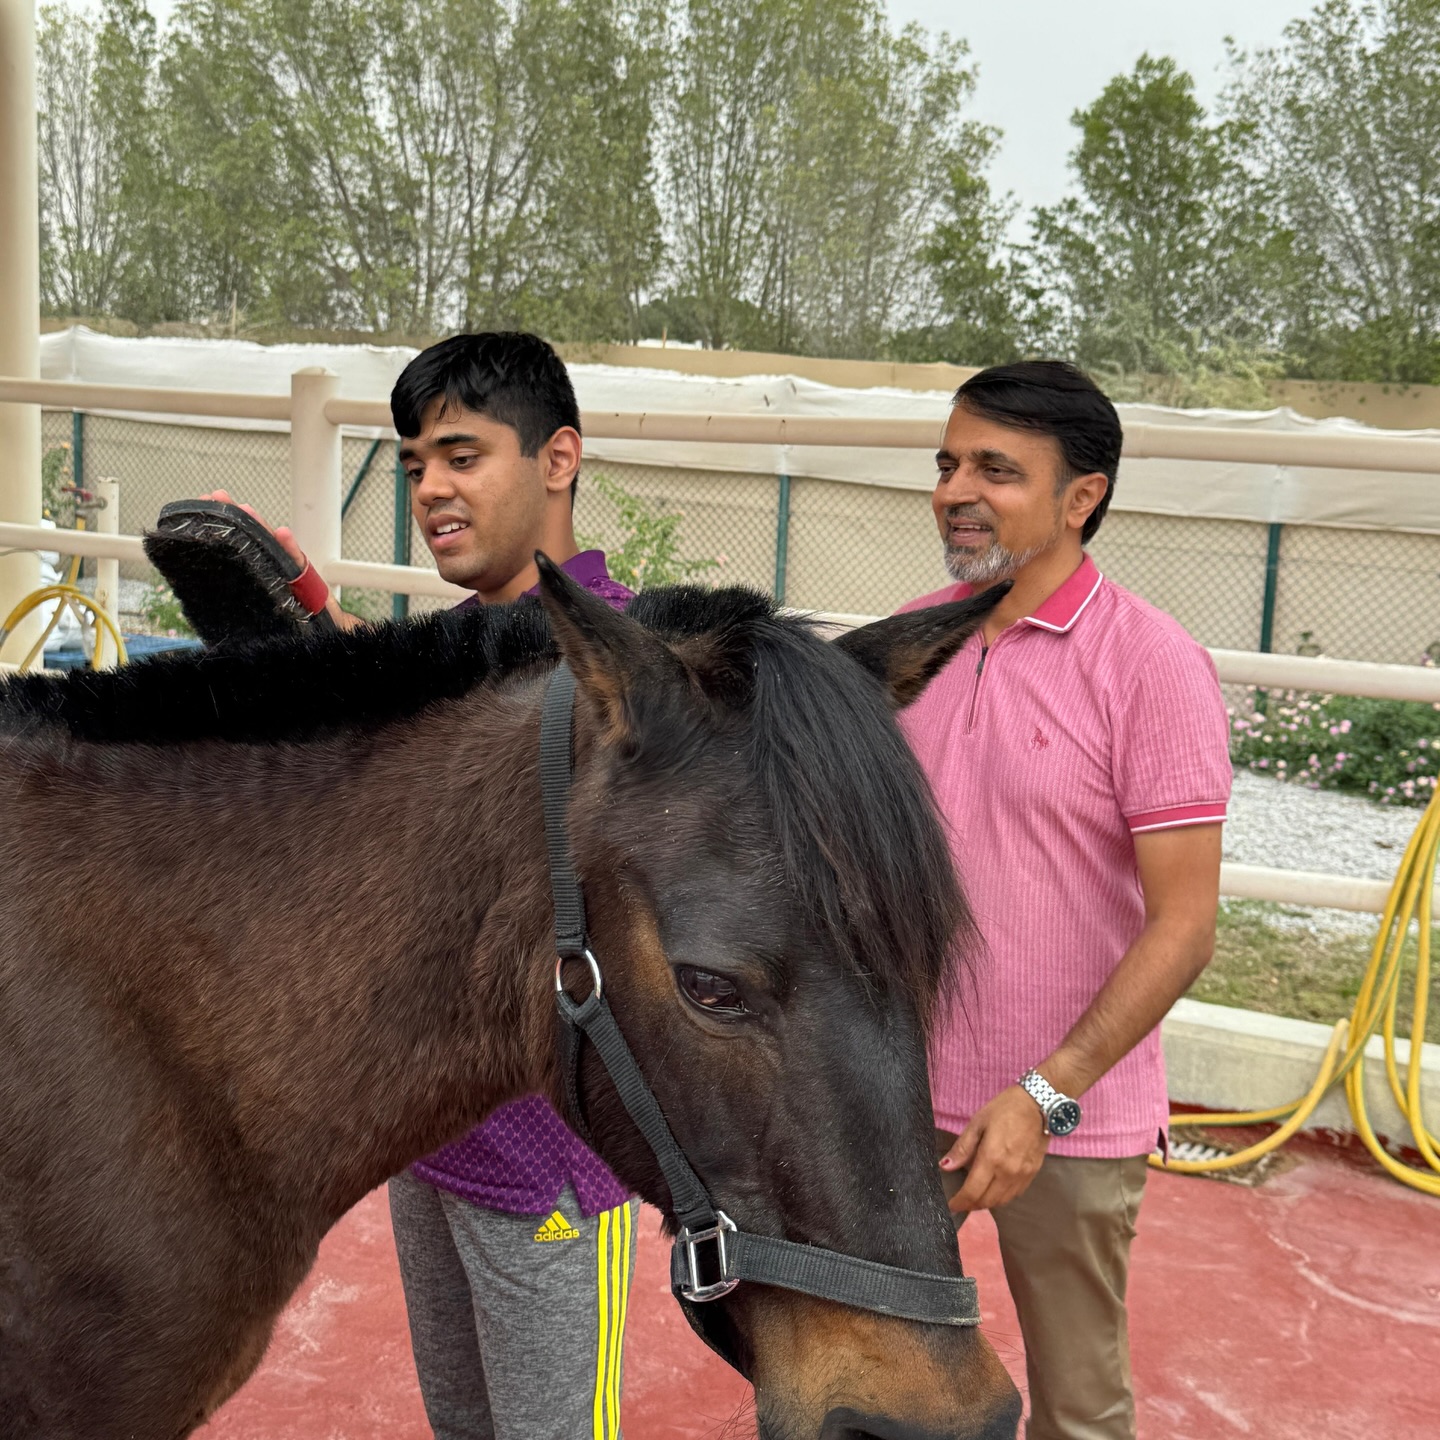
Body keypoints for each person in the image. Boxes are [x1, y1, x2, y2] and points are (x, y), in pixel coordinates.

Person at [204, 332, 639, 1440]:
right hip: (429, 1139)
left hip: (552, 1162)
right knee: (462, 1423)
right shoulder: (453, 645)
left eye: (461, 454)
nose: (431, 488)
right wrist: (305, 623)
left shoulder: (623, 670)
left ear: (557, 460)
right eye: (412, 463)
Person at [897, 361, 1231, 1440]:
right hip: (895, 1099)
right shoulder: (909, 640)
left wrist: (1047, 1096)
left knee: (1078, 1408)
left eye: (996, 469)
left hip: (1071, 1118)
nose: (957, 489)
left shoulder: (1152, 666)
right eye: (949, 463)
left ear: (1081, 497)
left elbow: (1185, 927)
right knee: (883, 1379)